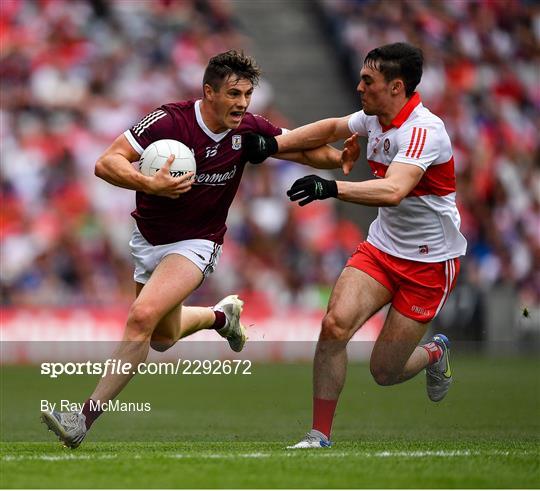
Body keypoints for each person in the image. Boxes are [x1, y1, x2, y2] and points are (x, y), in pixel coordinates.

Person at [40, 50, 356, 448]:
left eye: (247, 94)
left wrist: (339, 157)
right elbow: (107, 162)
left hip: (197, 242)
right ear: (209, 92)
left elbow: (298, 149)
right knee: (160, 338)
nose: (242, 103)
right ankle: (220, 317)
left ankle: (80, 420)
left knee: (141, 317)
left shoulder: (248, 130)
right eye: (234, 94)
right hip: (147, 239)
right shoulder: (169, 121)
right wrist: (150, 184)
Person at [244, 42, 467, 448]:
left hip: (429, 263)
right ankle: (318, 435)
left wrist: (331, 188)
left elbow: (394, 190)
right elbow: (331, 128)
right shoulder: (375, 118)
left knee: (384, 371)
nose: (359, 86)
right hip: (382, 249)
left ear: (396, 87)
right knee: (333, 326)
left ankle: (435, 354)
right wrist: (275, 145)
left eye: (369, 80)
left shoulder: (423, 130)